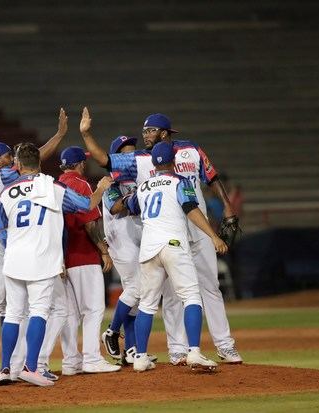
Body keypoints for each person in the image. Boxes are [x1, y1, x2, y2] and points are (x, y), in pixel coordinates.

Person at [80, 107, 243, 365]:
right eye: (144, 130)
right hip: (173, 231)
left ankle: (225, 345)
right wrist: (87, 134)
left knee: (211, 287)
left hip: (193, 231)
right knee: (171, 295)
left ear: (165, 133)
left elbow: (212, 178)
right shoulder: (142, 158)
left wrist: (227, 207)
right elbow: (105, 161)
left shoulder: (192, 149)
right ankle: (178, 349)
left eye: (150, 130)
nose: (145, 135)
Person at [0, 143, 113, 387]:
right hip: (42, 260)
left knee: (14, 314)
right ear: (40, 162)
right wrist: (99, 188)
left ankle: (5, 369)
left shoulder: (8, 190)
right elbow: (86, 206)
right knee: (39, 312)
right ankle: (32, 368)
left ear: (18, 164)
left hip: (14, 259)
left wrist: (15, 242)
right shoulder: (52, 186)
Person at [0, 108, 68, 382]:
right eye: (8, 156)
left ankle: (13, 366)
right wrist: (59, 136)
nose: (13, 159)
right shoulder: (4, 177)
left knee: (9, 309)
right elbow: (34, 159)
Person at [113, 142, 227, 372]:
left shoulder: (143, 187)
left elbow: (125, 207)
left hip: (148, 249)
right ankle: (194, 352)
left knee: (147, 303)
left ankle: (141, 357)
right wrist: (213, 236)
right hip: (173, 244)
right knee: (191, 296)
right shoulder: (179, 181)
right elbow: (191, 209)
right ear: (173, 161)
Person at [38, 146, 120, 378]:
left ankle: (71, 361)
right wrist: (103, 250)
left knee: (71, 314)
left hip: (62, 258)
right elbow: (89, 222)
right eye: (83, 162)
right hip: (83, 255)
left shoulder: (56, 185)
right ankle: (92, 359)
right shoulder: (82, 185)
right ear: (80, 164)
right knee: (93, 309)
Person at [100, 136, 154, 365]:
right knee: (137, 289)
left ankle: (131, 350)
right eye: (124, 154)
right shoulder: (109, 182)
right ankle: (111, 332)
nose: (129, 157)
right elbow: (115, 206)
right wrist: (137, 196)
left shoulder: (139, 180)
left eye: (132, 153)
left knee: (135, 297)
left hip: (137, 239)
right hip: (121, 242)